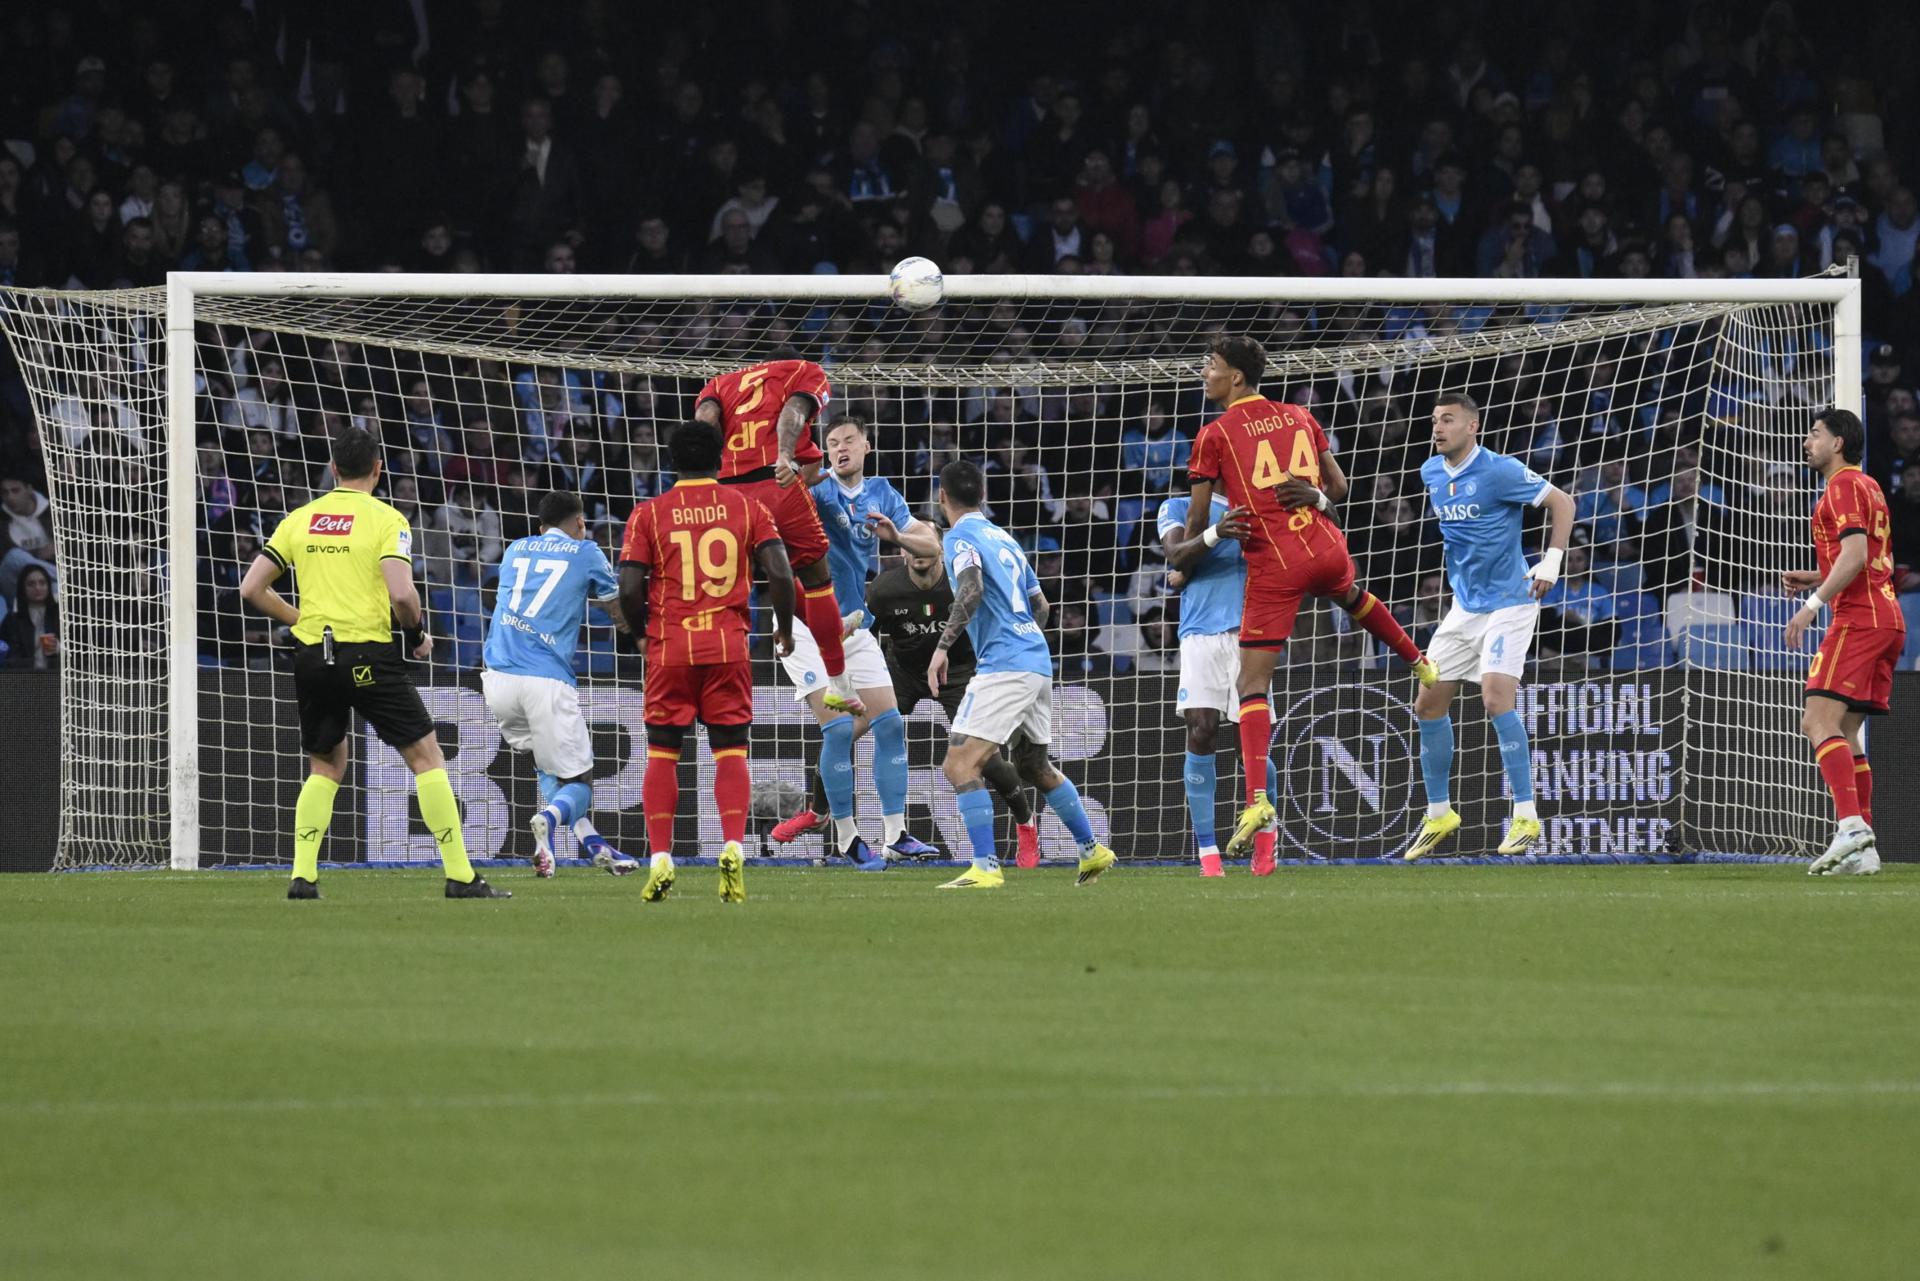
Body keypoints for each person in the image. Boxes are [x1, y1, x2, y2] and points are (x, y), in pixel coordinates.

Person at [1183, 335, 1435, 869]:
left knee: (1251, 687)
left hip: (1275, 562)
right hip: (1325, 544)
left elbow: (1199, 520)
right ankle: (1418, 660)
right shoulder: (1300, 415)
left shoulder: (1214, 433)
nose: (1204, 373)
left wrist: (1186, 560)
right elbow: (1337, 488)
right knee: (1351, 595)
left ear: (1236, 378)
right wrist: (1315, 496)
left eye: (1212, 366)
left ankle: (1256, 799)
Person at [238, 425, 508, 900]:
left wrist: (303, 619)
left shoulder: (300, 518)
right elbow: (402, 594)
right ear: (378, 469)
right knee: (426, 757)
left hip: (313, 655)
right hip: (366, 654)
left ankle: (303, 877)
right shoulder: (387, 518)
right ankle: (461, 875)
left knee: (325, 766)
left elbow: (251, 588)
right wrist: (417, 635)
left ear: (333, 468)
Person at [617, 420, 797, 904]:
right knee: (731, 752)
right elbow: (781, 573)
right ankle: (734, 846)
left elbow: (629, 587)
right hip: (728, 648)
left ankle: (660, 857)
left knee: (662, 754)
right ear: (721, 459)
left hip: (671, 648)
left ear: (672, 462)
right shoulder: (749, 507)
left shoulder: (648, 513)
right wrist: (783, 628)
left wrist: (641, 635)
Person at [928, 459, 1116, 890]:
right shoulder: (1006, 539)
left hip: (1005, 665)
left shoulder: (959, 538)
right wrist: (1023, 640)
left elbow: (971, 589)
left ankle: (985, 867)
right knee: (1033, 764)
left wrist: (942, 649)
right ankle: (1091, 849)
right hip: (1035, 658)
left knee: (959, 763)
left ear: (942, 497)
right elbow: (1041, 607)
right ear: (983, 495)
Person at [1403, 392, 1577, 860]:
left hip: (1511, 601)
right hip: (1464, 608)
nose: (1438, 428)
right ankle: (1439, 813)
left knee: (1495, 697)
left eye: (1448, 420)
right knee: (1427, 704)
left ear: (1472, 426)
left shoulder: (1500, 470)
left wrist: (1551, 562)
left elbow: (1563, 503)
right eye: (1434, 420)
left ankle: (1526, 815)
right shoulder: (1430, 472)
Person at [767, 416, 945, 867]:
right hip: (805, 624)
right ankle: (846, 837)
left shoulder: (882, 493)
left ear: (867, 445)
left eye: (849, 440)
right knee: (840, 728)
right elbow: (779, 520)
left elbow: (930, 548)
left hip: (851, 622)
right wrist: (793, 468)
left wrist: (896, 536)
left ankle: (896, 835)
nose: (841, 448)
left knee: (890, 723)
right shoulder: (815, 490)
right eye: (832, 443)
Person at [692, 357, 863, 714]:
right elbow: (794, 410)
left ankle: (708, 683)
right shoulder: (803, 370)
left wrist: (703, 478)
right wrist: (785, 456)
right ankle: (839, 684)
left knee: (738, 582)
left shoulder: (719, 383)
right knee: (816, 579)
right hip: (775, 480)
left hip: (725, 492)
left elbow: (705, 420)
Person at [480, 490, 636, 880]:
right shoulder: (587, 552)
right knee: (580, 783)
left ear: (540, 527)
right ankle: (548, 820)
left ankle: (594, 846)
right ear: (580, 523)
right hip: (545, 679)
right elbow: (618, 610)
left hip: (497, 678)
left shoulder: (516, 549)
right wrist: (637, 627)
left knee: (549, 771)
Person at [856, 547, 1043, 866]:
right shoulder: (884, 589)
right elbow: (864, 638)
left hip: (959, 673)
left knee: (987, 761)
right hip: (904, 673)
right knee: (847, 729)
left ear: (940, 549)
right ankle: (831, 821)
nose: (918, 552)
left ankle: (1026, 823)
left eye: (925, 544)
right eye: (911, 545)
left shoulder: (963, 585)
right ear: (901, 550)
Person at [1783, 408, 1905, 877]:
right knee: (1846, 729)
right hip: (1886, 617)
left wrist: (1812, 604)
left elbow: (1855, 555)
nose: (1806, 442)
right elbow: (1869, 557)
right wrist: (1817, 576)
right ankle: (1864, 848)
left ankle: (1851, 827)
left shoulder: (1843, 485)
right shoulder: (1869, 485)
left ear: (1837, 443)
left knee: (1816, 720)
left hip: (1860, 619)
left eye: (1815, 434)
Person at [1156, 478, 1279, 877]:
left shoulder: (1259, 505)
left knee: (1251, 746)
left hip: (1250, 632)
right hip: (1199, 632)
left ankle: (1266, 842)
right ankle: (1208, 852)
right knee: (1201, 730)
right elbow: (1175, 554)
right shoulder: (1177, 507)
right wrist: (1215, 534)